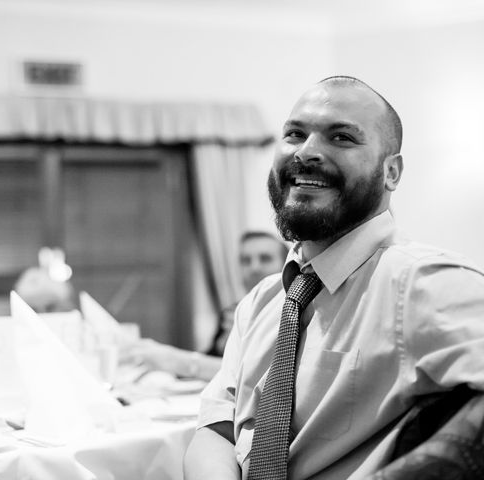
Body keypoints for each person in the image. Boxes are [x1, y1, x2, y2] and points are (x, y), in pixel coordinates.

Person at [184, 76, 484, 479]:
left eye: (341, 137)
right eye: (295, 133)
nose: (306, 152)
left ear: (391, 172)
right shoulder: (261, 302)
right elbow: (218, 429)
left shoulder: (422, 283)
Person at [125, 231, 288, 382]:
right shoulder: (233, 312)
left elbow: (259, 374)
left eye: (265, 258)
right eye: (245, 261)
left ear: (285, 264)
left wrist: (175, 360)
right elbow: (211, 356)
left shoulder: (291, 313)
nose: (254, 268)